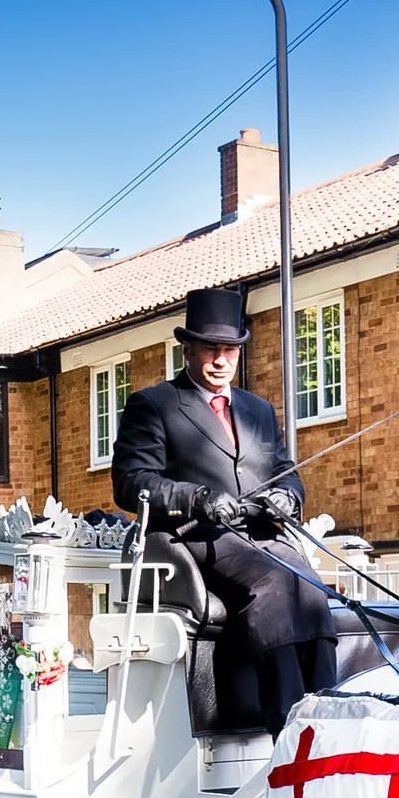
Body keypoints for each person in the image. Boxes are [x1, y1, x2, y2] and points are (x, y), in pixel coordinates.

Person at [109, 286, 335, 737]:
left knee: (310, 587)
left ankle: (327, 710)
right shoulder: (154, 405)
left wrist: (288, 498)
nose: (220, 359)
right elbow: (131, 482)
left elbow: (286, 472)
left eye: (229, 349)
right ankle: (289, 723)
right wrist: (197, 497)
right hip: (198, 536)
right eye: (210, 348)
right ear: (188, 349)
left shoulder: (257, 410)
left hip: (262, 534)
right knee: (276, 583)